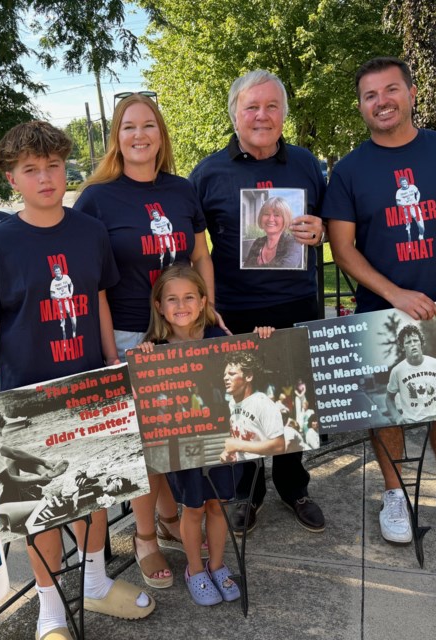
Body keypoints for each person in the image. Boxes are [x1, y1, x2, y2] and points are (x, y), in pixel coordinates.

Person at [0, 121, 153, 640]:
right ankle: (50, 611)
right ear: (12, 178)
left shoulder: (89, 230)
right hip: (26, 400)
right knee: (40, 513)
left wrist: (114, 362)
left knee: (93, 498)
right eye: (31, 169)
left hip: (89, 389)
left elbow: (97, 300)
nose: (46, 178)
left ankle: (94, 582)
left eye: (53, 166)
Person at [323, 56, 436, 548]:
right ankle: (395, 493)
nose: (382, 101)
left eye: (391, 90)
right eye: (370, 95)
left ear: (412, 93)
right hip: (380, 311)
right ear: (360, 106)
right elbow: (343, 249)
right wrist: (394, 293)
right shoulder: (350, 170)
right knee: (385, 408)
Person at [74, 93, 218, 588]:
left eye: (148, 126)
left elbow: (200, 257)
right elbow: (90, 282)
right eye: (129, 127)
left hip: (180, 330)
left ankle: (169, 516)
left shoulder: (181, 190)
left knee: (174, 434)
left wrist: (206, 313)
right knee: (139, 446)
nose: (139, 135)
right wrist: (112, 351)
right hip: (132, 333)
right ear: (117, 136)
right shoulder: (97, 197)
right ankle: (144, 538)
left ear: (161, 134)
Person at [189, 69, 327, 535]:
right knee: (244, 409)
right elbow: (190, 245)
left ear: (284, 114)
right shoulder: (208, 173)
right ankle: (247, 495)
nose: (262, 116)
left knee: (292, 406)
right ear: (235, 114)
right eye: (252, 107)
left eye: (271, 107)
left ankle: (295, 487)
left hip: (296, 303)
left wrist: (320, 229)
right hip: (235, 311)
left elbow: (331, 222)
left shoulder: (307, 165)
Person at [136, 265, 274, 606]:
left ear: (202, 302)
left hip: (223, 441)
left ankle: (217, 564)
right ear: (159, 306)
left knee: (219, 506)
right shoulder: (153, 348)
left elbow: (255, 369)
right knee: (193, 508)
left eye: (188, 297)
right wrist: (142, 362)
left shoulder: (220, 340)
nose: (180, 305)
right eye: (172, 299)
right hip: (185, 445)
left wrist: (262, 338)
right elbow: (145, 399)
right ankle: (195, 570)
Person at [0, 408, 70, 535]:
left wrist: (43, 461)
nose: (0, 435)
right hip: (2, 500)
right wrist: (38, 480)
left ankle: (44, 471)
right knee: (41, 498)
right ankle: (41, 479)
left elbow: (14, 453)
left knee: (13, 460)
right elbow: (9, 481)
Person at [219, 350, 286, 464]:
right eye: (225, 374)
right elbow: (242, 438)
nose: (225, 378)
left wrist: (239, 445)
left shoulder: (262, 403)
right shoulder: (232, 404)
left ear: (248, 376)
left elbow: (279, 446)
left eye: (231, 374)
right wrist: (229, 454)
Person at [243, 196, 305, 269]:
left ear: (285, 219)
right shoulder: (258, 242)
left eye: (277, 215)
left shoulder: (293, 243)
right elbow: (246, 269)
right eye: (266, 214)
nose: (270, 219)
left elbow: (283, 272)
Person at [50, 263, 78, 340]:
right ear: (54, 272)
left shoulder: (66, 277)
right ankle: (64, 340)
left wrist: (71, 294)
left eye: (59, 270)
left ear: (61, 271)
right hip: (60, 304)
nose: (58, 272)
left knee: (74, 321)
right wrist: (57, 297)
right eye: (56, 271)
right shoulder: (53, 282)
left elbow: (71, 285)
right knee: (63, 325)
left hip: (68, 301)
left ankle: (74, 331)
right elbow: (51, 295)